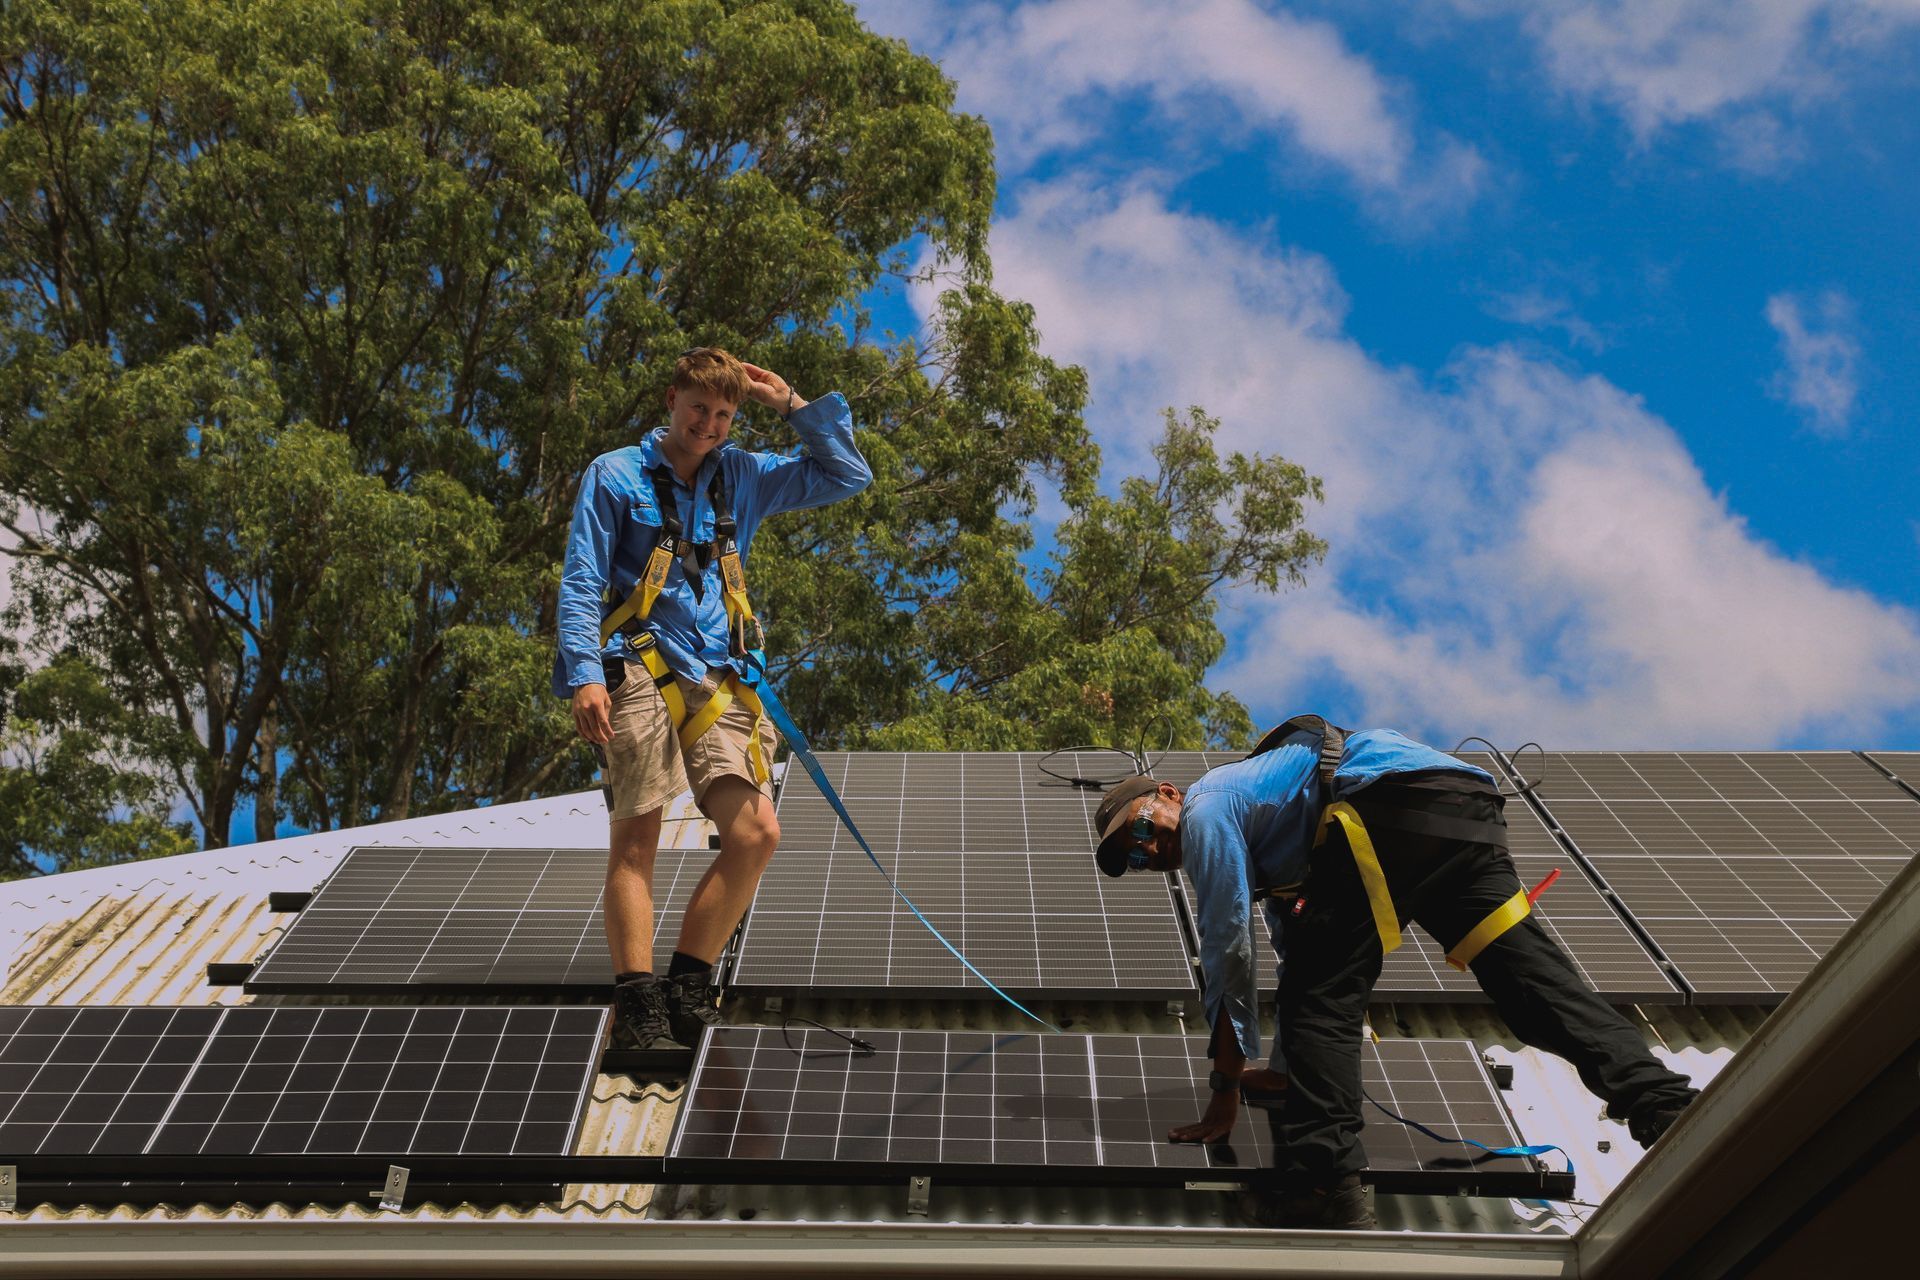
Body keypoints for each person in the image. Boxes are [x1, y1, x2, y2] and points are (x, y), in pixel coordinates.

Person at [1091, 719, 1697, 1230]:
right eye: (1133, 859)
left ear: (1169, 794)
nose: (1147, 852)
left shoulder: (1206, 809)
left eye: (1141, 830)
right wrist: (1285, 1070)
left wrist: (1224, 1088)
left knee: (1319, 999)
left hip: (1386, 806)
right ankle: (1666, 1109)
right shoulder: (1273, 828)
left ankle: (1325, 1185)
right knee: (1533, 989)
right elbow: (1293, 941)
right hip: (1461, 810)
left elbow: (1229, 949)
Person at [555, 347, 871, 1050]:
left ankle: (687, 988)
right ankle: (638, 1008)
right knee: (639, 835)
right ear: (672, 399)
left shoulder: (743, 475)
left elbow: (849, 475)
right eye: (699, 407)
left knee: (757, 833)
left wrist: (790, 404)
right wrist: (582, 672)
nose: (709, 425)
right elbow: (581, 581)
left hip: (720, 673)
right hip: (636, 663)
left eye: (724, 415)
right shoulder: (616, 475)